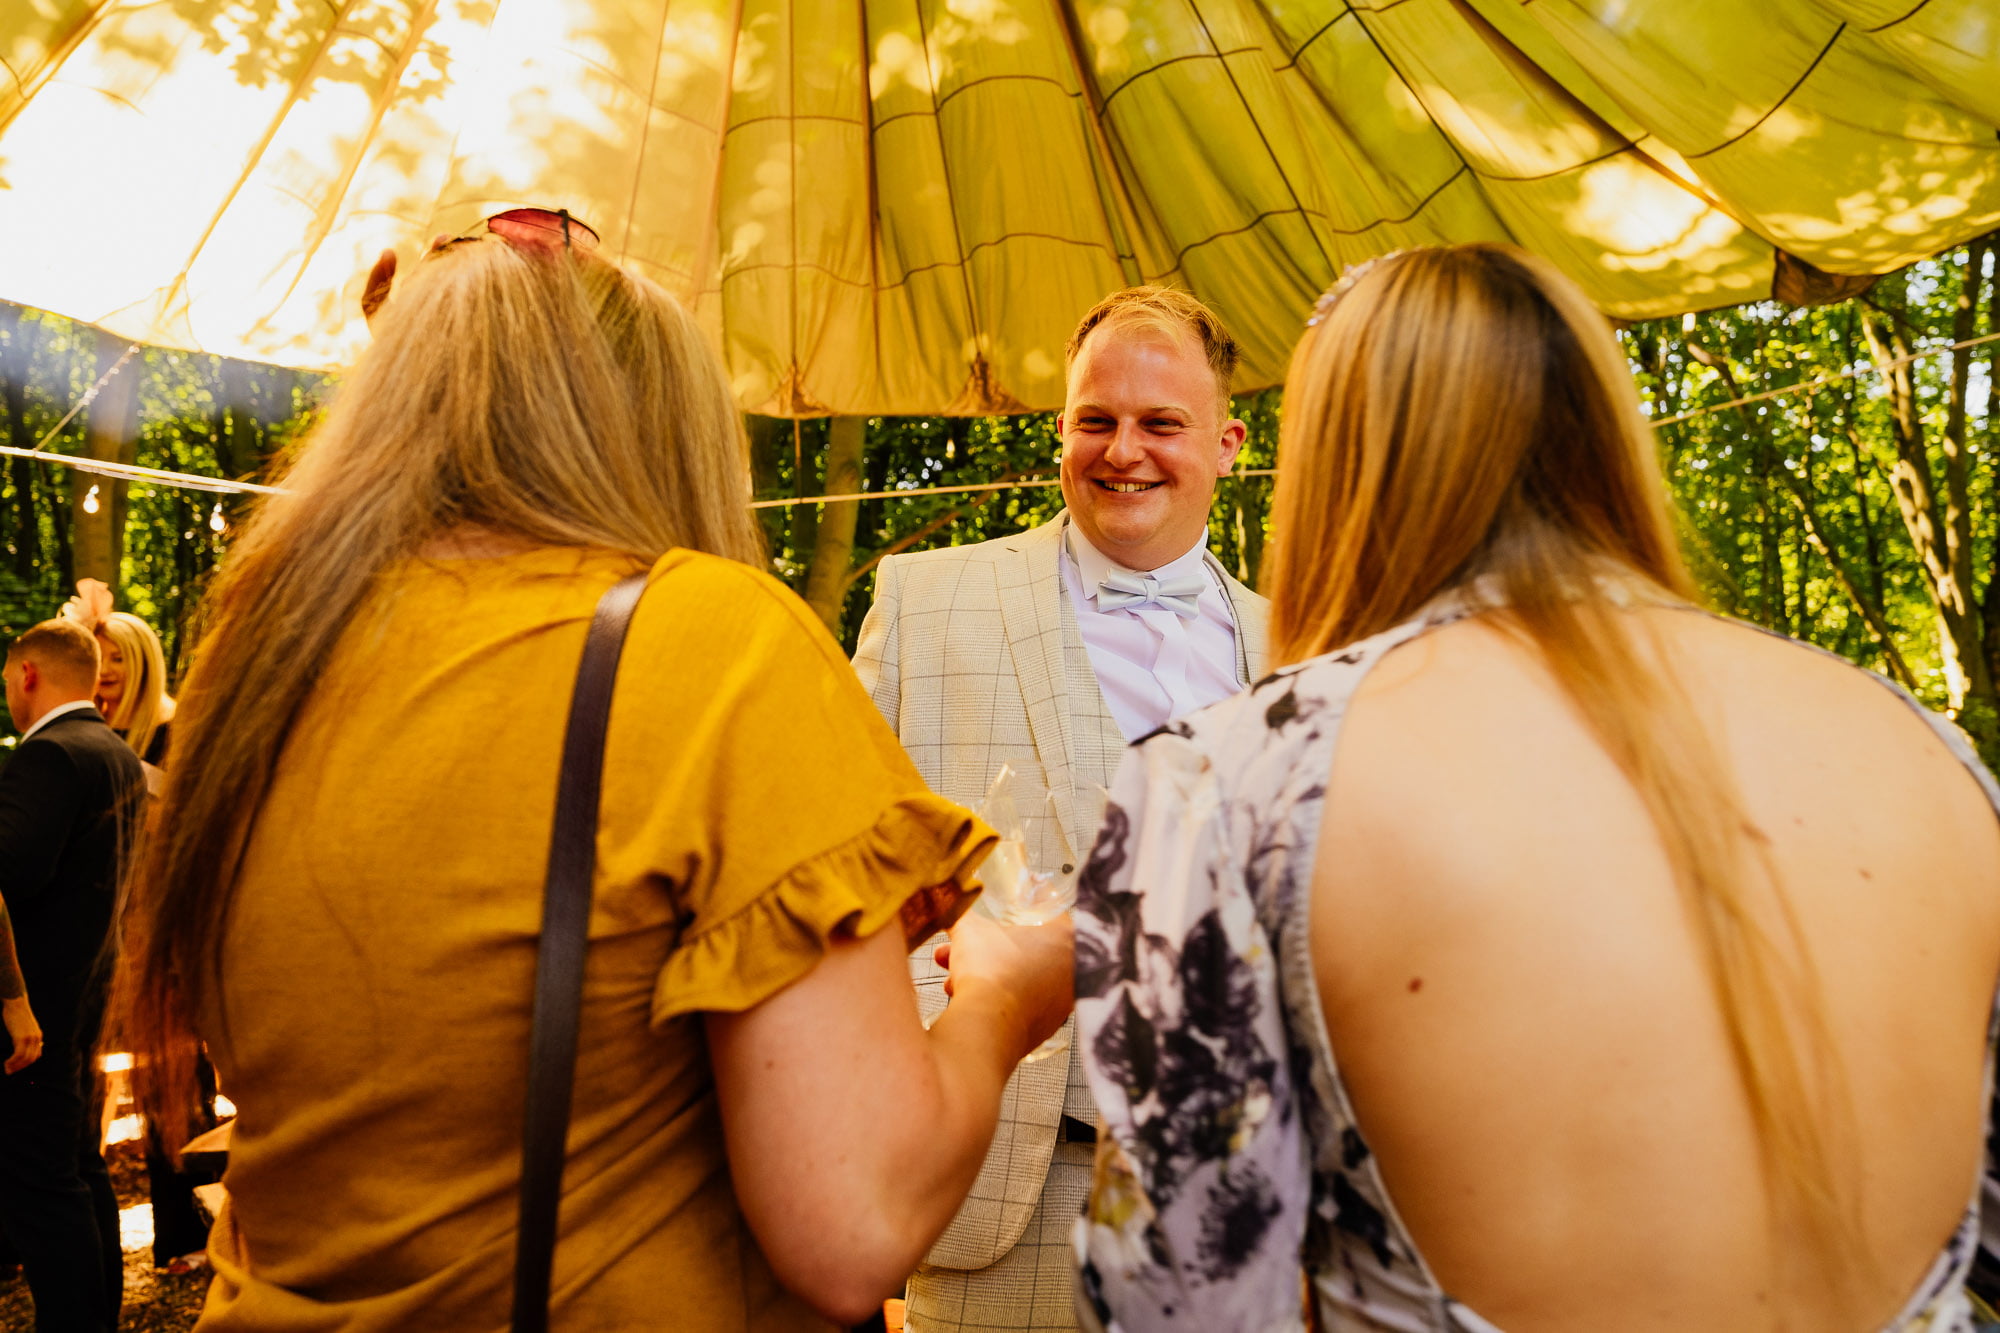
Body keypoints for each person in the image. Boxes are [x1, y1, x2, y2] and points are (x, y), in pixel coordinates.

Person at [117, 212, 1072, 1331]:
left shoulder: (262, 669)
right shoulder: (706, 640)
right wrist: (1006, 997)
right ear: (660, 430)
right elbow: (852, 1222)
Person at [1073, 243, 2000, 1332]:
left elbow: (1173, 1300)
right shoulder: (1923, 750)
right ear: (1604, 434)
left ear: (1333, 462)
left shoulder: (1226, 780)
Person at [853, 286, 1269, 1331]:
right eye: (1096, 419)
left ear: (1227, 444)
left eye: (1159, 423)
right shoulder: (923, 599)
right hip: (999, 1190)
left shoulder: (1304, 636)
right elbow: (841, 877)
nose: (1121, 450)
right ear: (1060, 432)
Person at [60, 582, 213, 1276]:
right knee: (75, 1089)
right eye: (95, 671)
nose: (106, 683)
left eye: (117, 670)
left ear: (142, 668)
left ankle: (184, 1232)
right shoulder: (79, 742)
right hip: (93, 936)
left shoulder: (174, 734)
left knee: (175, 1088)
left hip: (164, 939)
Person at [0, 617, 145, 1332]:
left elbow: (9, 872)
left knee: (44, 1185)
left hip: (36, 1006)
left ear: (27, 673)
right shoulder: (112, 750)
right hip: (86, 990)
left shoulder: (51, 755)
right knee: (80, 1171)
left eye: (6, 678)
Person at [64, 580, 175, 767]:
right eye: (97, 660)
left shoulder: (178, 728)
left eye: (118, 659)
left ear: (145, 663)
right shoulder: (78, 725)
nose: (104, 670)